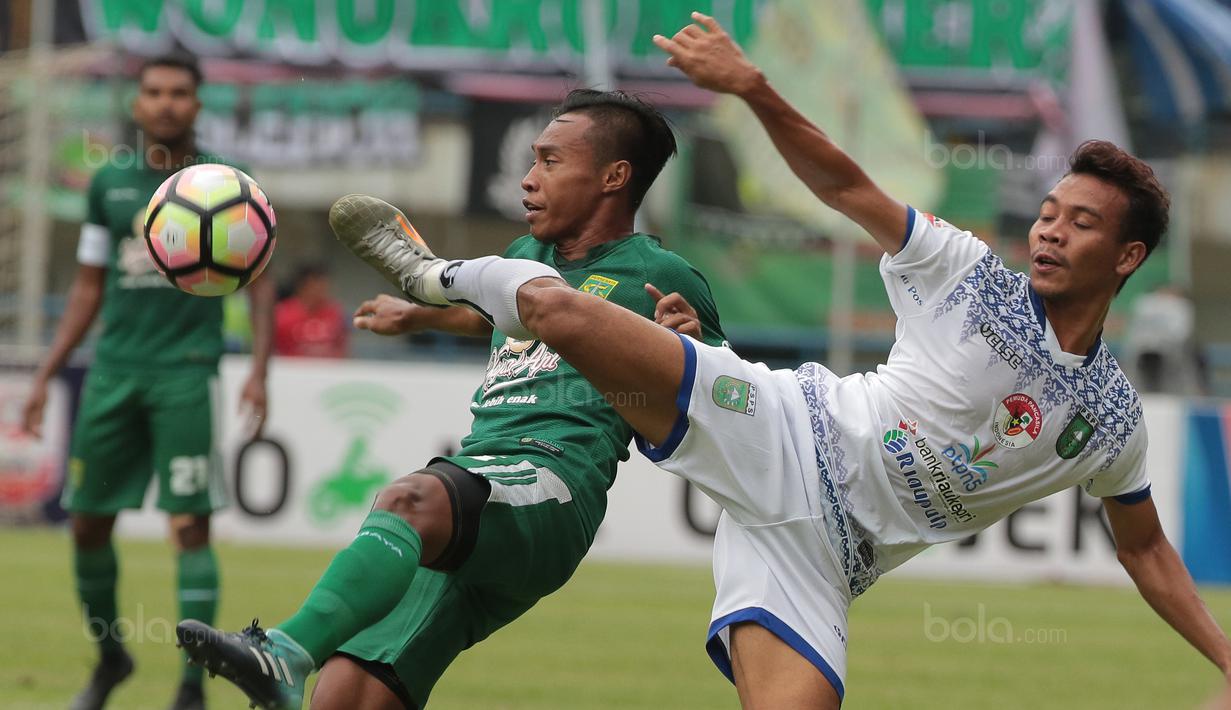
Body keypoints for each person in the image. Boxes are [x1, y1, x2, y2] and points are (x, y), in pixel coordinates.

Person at [300, 13, 1231, 709]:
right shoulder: (965, 275)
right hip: (785, 427)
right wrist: (749, 88)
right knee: (552, 301)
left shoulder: (1109, 419)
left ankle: (488, 303)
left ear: (1128, 258)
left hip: (821, 556)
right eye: (1048, 210)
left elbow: (1144, 549)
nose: (1048, 230)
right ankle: (439, 274)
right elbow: (844, 184)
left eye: (1081, 223)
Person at [176, 89, 727, 710]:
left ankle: (282, 652)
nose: (526, 180)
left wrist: (697, 349)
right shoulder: (526, 258)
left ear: (614, 176)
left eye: (549, 162)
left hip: (550, 485)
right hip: (483, 487)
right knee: (347, 694)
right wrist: (416, 318)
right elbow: (493, 316)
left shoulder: (662, 274)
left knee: (410, 498)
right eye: (530, 161)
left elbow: (737, 397)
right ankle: (300, 666)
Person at [21, 55, 274, 710]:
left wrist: (259, 372)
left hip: (185, 374)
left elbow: (263, 279)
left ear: (198, 103)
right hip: (113, 374)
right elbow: (86, 286)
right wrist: (47, 373)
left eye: (179, 93)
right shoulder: (109, 185)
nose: (165, 103)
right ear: (136, 104)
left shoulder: (226, 185)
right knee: (86, 526)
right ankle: (111, 657)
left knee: (189, 527)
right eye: (154, 92)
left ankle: (193, 684)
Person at [274, 263, 349, 358]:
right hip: (293, 371)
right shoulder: (283, 314)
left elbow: (343, 348)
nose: (323, 289)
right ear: (303, 285)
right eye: (318, 284)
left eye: (325, 284)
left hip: (328, 371)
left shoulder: (335, 313)